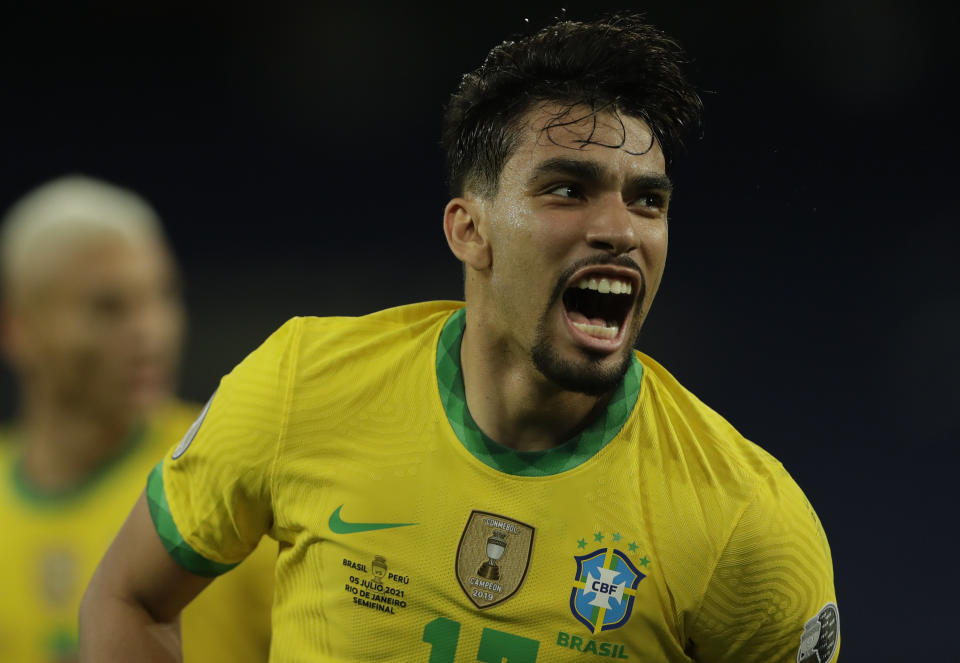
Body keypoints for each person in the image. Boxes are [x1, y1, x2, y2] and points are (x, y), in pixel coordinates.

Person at [79, 13, 839, 663]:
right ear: (469, 230)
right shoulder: (303, 384)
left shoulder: (748, 523)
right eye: (567, 189)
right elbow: (129, 597)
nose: (618, 229)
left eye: (648, 200)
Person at [0, 175, 274, 663]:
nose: (152, 331)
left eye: (162, 296)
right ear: (17, 327)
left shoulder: (236, 474)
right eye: (108, 307)